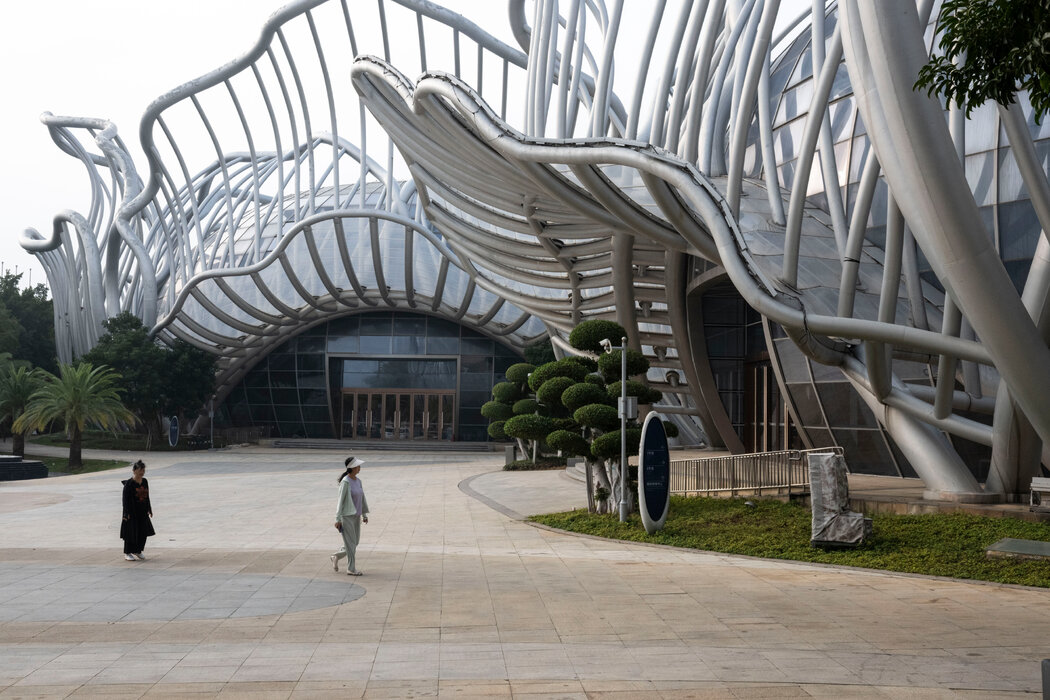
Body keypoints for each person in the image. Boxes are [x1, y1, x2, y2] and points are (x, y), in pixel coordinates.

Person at [331, 456, 369, 575]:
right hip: (346, 517)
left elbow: (362, 498)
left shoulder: (358, 481)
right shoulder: (345, 482)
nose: (359, 468)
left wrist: (364, 514)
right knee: (351, 543)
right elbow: (340, 501)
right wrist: (337, 519)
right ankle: (351, 568)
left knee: (354, 542)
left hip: (356, 516)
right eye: (357, 466)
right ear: (352, 467)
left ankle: (336, 556)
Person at [120, 460, 154, 561]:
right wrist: (126, 513)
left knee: (143, 532)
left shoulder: (145, 481)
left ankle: (138, 550)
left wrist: (149, 508)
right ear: (134, 471)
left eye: (143, 470)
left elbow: (147, 496)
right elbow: (125, 500)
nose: (142, 472)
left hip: (142, 511)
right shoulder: (129, 484)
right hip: (132, 512)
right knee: (131, 532)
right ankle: (127, 552)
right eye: (140, 470)